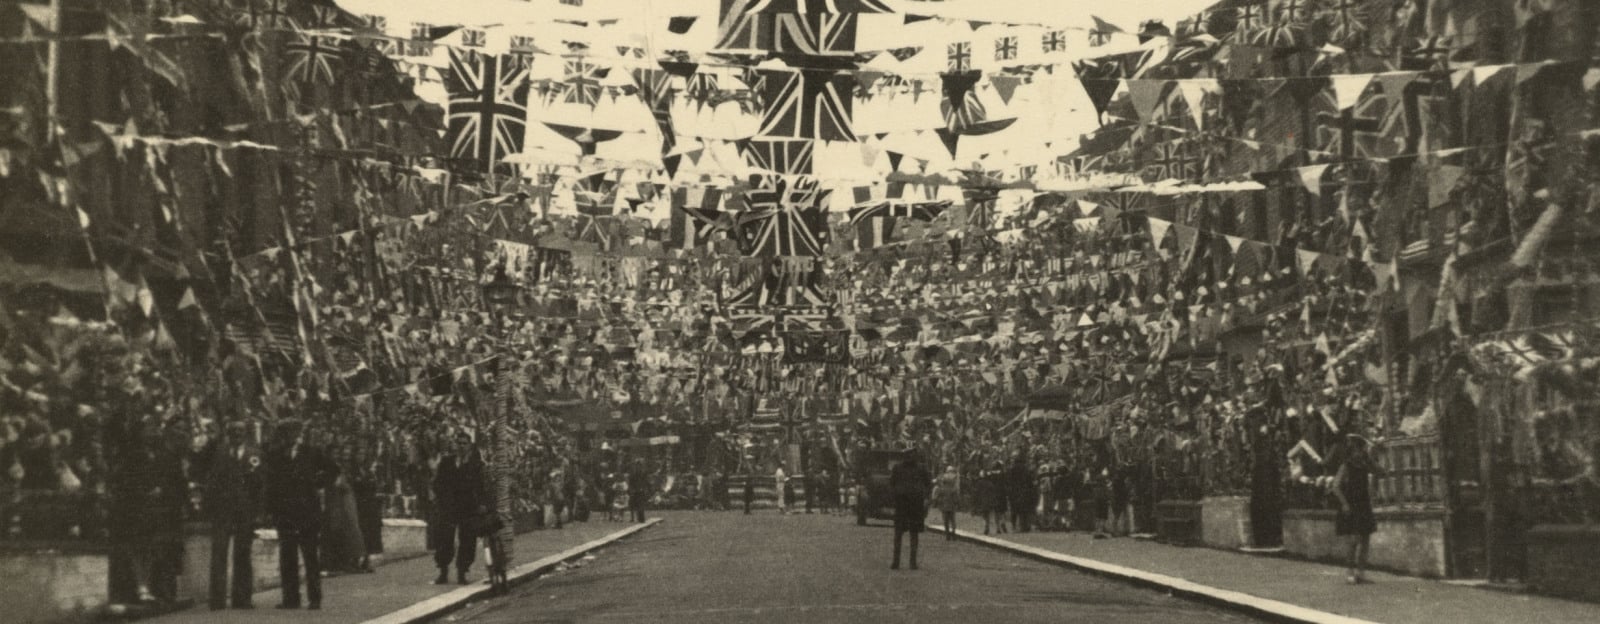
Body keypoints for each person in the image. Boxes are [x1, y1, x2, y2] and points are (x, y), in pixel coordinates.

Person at [265, 421, 339, 610]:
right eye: (286, 433)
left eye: (293, 432)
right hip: (285, 513)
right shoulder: (276, 455)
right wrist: (273, 510)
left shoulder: (311, 452)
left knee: (310, 557)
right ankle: (291, 598)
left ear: (298, 433)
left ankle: (314, 598)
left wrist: (318, 483)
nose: (289, 436)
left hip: (307, 512)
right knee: (287, 557)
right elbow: (270, 484)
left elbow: (334, 470)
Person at [201, 421, 263, 610]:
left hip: (245, 510)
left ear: (246, 433)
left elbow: (260, 485)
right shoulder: (219, 452)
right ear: (228, 433)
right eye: (233, 431)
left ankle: (242, 598)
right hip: (222, 510)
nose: (237, 434)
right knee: (219, 552)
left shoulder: (255, 454)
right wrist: (210, 507)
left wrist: (258, 512)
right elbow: (211, 479)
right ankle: (217, 599)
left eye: (241, 431)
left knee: (243, 553)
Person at [431, 431, 487, 586]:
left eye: (465, 443)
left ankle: (462, 571)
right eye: (459, 443)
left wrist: (481, 503)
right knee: (444, 538)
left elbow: (481, 486)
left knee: (468, 539)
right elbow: (437, 483)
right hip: (448, 506)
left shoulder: (476, 465)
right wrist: (441, 497)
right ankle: (443, 571)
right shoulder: (447, 462)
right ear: (455, 445)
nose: (461, 446)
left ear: (470, 446)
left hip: (468, 506)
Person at [1333, 434, 1383, 584]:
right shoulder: (1346, 466)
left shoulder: (1364, 464)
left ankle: (1361, 573)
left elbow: (1381, 472)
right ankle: (1350, 572)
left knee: (1365, 539)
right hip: (1352, 504)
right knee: (1354, 540)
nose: (1359, 453)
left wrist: (1370, 460)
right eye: (1358, 450)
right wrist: (1344, 504)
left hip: (1363, 503)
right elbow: (1335, 486)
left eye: (1361, 450)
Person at [888, 453, 931, 570]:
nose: (909, 457)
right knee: (900, 534)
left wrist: (925, 497)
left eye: (911, 454)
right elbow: (891, 484)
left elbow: (928, 484)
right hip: (902, 503)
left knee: (913, 533)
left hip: (915, 504)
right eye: (907, 454)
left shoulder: (921, 468)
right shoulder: (898, 468)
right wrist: (895, 497)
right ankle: (896, 561)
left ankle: (912, 562)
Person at [932, 465, 960, 540]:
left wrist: (937, 503)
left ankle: (947, 534)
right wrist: (957, 504)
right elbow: (956, 498)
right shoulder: (954, 489)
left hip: (944, 506)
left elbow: (938, 497)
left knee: (946, 521)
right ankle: (953, 533)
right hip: (952, 506)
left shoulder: (942, 489)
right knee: (953, 520)